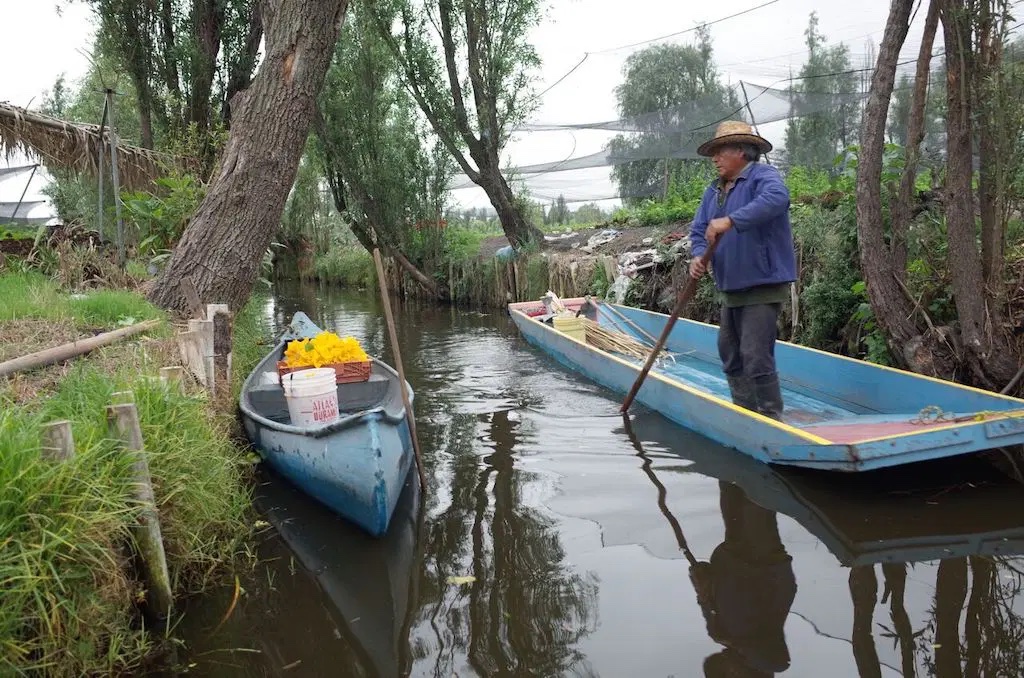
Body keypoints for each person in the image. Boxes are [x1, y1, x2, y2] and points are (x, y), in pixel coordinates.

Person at [688, 120, 797, 421]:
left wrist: (731, 220)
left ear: (741, 151)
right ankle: (745, 414)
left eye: (720, 151)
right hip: (731, 285)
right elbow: (699, 230)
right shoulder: (713, 191)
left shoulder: (764, 177)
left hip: (762, 282)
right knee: (730, 352)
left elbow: (778, 200)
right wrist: (699, 256)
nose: (715, 158)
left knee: (755, 354)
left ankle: (770, 418)